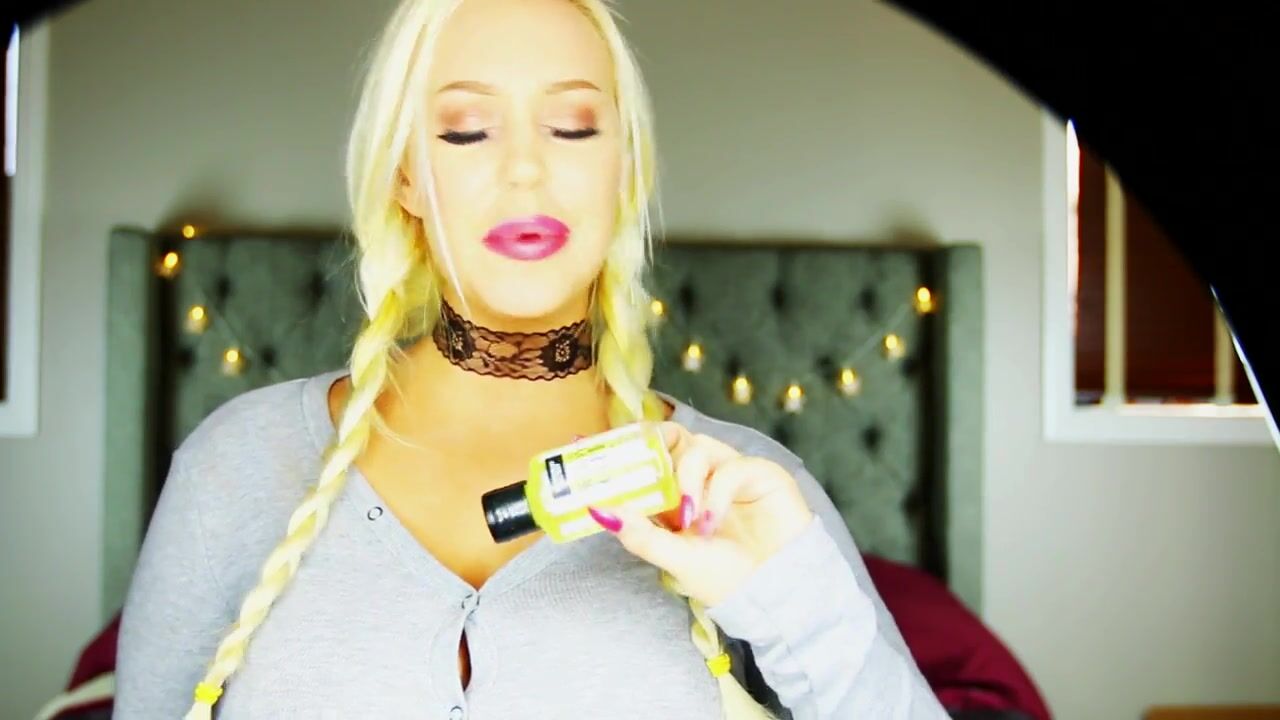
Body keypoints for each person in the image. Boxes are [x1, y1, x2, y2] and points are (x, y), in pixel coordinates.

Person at [115, 0, 952, 718]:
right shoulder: (240, 464)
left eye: (572, 127)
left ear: (624, 168)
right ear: (406, 176)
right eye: (467, 130)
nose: (525, 170)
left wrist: (794, 598)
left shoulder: (743, 496)